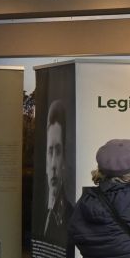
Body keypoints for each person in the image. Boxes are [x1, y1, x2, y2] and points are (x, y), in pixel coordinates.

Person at [40, 99, 74, 242]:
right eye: (50, 151)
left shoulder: (70, 217)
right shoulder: (39, 214)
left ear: (64, 160)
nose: (53, 164)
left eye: (58, 152)